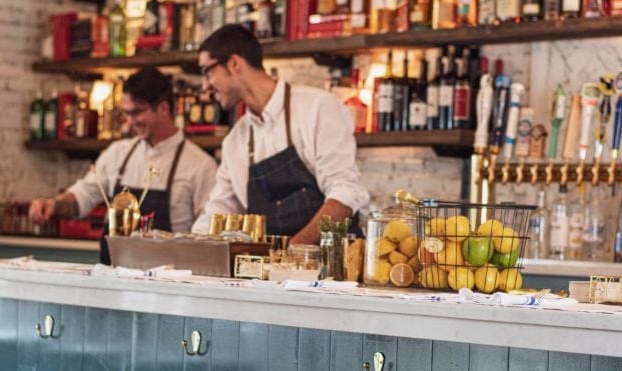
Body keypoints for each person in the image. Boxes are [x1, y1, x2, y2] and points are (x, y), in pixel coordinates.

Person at [190, 24, 370, 243]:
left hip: (334, 261)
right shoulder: (236, 140)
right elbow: (219, 210)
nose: (205, 86)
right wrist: (187, 246)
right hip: (272, 264)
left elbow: (345, 193)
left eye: (207, 72)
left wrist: (293, 251)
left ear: (235, 63)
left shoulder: (317, 108)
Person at [29, 67, 217, 263]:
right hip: (112, 275)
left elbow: (207, 235)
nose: (130, 121)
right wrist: (53, 205)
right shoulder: (118, 153)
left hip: (168, 278)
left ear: (163, 108)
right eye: (127, 113)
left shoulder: (200, 166)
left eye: (136, 112)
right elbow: (84, 194)